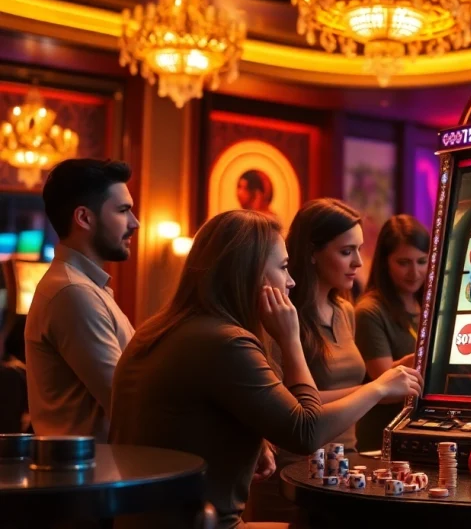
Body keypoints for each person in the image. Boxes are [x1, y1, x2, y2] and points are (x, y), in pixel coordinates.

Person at [109, 210, 422, 529]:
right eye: (283, 267)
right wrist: (295, 342)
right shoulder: (226, 341)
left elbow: (195, 416)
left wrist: (256, 439)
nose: (291, 281)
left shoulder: (157, 329)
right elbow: (307, 433)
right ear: (251, 272)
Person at [246, 199, 406, 522]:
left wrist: (398, 372)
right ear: (312, 253)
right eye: (346, 251)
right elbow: (286, 405)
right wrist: (376, 389)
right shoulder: (280, 315)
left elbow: (352, 385)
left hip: (346, 463)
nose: (358, 262)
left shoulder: (345, 310)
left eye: (359, 249)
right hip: (294, 473)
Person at [25, 159, 138, 441]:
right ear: (84, 218)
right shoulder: (73, 292)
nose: (134, 223)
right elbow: (129, 402)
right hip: (89, 468)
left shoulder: (85, 287)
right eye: (123, 210)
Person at [353, 214, 428, 451]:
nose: (414, 272)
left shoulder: (430, 303)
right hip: (382, 438)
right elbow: (385, 385)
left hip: (422, 431)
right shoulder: (369, 310)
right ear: (385, 262)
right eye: (404, 263)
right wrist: (427, 363)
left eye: (422, 261)